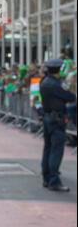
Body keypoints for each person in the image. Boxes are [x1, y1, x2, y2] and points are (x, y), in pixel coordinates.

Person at [40, 58, 76, 192]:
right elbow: (70, 96)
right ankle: (54, 181)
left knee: (48, 148)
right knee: (56, 150)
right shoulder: (56, 84)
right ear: (58, 70)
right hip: (57, 119)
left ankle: (46, 177)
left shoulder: (44, 82)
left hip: (47, 117)